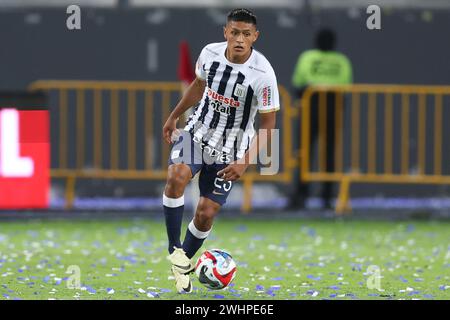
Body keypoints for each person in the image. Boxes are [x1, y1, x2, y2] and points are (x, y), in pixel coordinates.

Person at [161, 8, 279, 293]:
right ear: (225, 32)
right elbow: (198, 86)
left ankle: (183, 266)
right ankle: (174, 248)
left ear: (255, 37)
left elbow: (268, 124)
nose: (240, 39)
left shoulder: (263, 75)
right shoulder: (209, 54)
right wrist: (174, 115)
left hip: (231, 150)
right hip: (197, 135)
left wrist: (245, 162)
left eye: (246, 34)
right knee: (177, 177)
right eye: (235, 32)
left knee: (205, 213)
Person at [289, 28, 353, 209]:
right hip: (333, 108)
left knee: (304, 153)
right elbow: (346, 88)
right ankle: (326, 197)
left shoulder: (307, 58)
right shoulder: (341, 61)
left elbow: (298, 84)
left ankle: (301, 196)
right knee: (329, 154)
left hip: (311, 106)